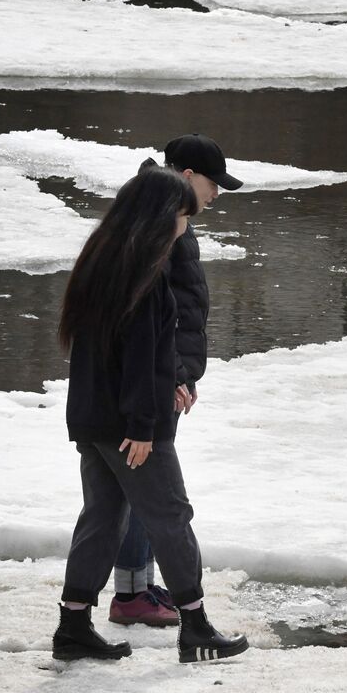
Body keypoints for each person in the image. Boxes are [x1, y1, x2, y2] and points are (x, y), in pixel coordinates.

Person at [53, 165, 248, 663]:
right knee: (170, 516)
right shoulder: (146, 271)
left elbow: (114, 353)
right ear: (164, 215)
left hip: (95, 418)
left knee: (103, 516)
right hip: (130, 426)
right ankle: (196, 626)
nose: (186, 226)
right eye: (183, 216)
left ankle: (73, 625)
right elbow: (140, 354)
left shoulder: (102, 259)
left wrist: (170, 383)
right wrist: (144, 424)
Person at [109, 133, 243, 628]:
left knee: (139, 489)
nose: (216, 195)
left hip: (165, 374)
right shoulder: (161, 222)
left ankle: (138, 586)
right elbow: (154, 314)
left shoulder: (162, 215)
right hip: (156, 379)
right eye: (213, 184)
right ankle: (131, 594)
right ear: (187, 177)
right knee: (149, 490)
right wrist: (176, 375)